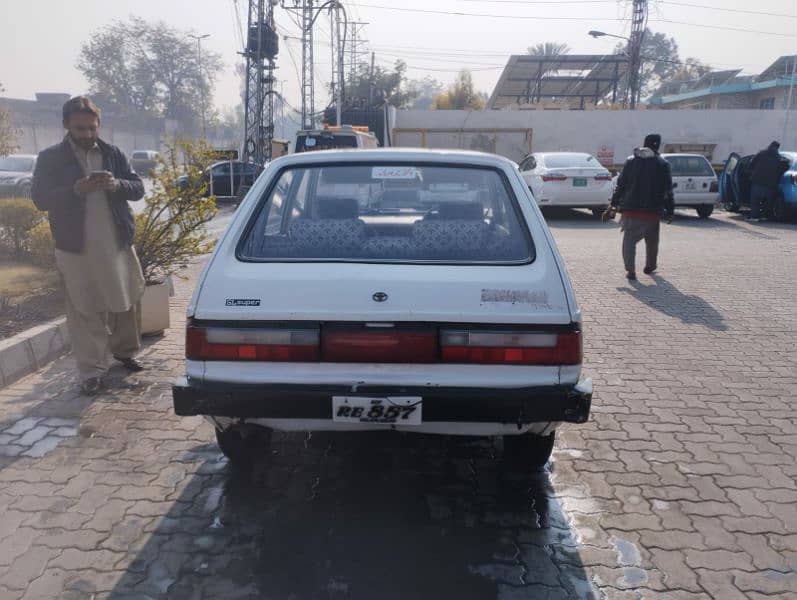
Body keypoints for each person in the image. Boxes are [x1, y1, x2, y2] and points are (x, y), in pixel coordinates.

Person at [31, 96, 146, 395]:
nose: (86, 134)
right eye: (80, 128)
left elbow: (137, 188)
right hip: (75, 247)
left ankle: (125, 351)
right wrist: (74, 190)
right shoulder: (50, 158)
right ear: (66, 124)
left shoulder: (113, 153)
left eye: (92, 128)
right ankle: (92, 370)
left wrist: (116, 185)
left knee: (127, 299)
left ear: (99, 125)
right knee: (84, 307)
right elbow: (40, 198)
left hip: (116, 242)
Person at [606, 133, 674, 281]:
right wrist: (670, 211)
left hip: (630, 210)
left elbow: (621, 184)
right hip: (653, 211)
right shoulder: (663, 164)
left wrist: (613, 204)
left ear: (644, 143)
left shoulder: (631, 161)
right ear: (658, 145)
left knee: (629, 241)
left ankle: (630, 271)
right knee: (652, 241)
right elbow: (668, 191)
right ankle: (650, 266)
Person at [748, 141, 789, 222]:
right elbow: (783, 168)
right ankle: (765, 216)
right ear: (777, 148)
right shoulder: (779, 158)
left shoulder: (761, 153)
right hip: (771, 183)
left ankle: (754, 217)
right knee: (767, 202)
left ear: (770, 145)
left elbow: (752, 163)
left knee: (755, 201)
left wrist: (751, 171)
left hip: (758, 181)